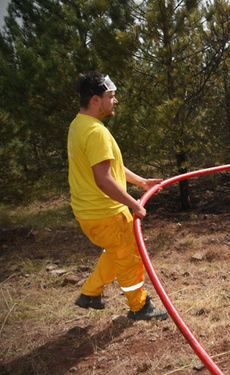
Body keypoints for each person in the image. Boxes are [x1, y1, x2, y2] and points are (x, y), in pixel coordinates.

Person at [68, 71, 167, 320]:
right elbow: (104, 178)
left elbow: (109, 166)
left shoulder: (79, 125)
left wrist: (141, 181)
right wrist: (134, 204)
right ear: (95, 100)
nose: (116, 101)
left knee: (116, 251)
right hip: (107, 213)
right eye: (111, 96)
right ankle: (140, 307)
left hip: (89, 213)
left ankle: (90, 293)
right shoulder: (96, 132)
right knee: (131, 257)